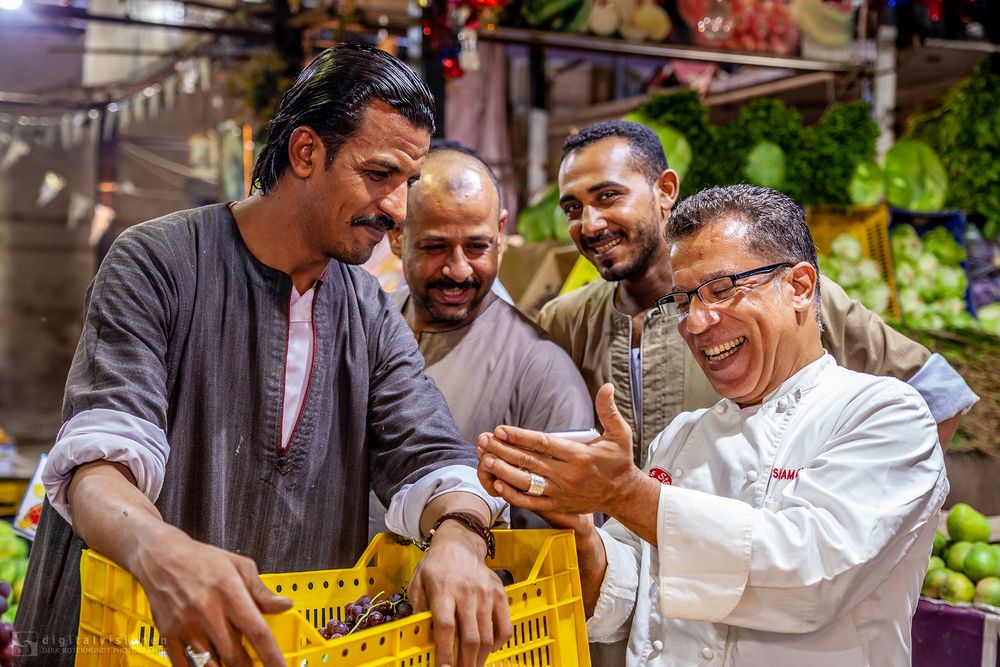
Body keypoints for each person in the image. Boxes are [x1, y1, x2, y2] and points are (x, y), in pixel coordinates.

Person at [16, 44, 511, 667]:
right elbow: (99, 460)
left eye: (406, 183)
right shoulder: (158, 262)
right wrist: (157, 548)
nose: (396, 209)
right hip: (120, 640)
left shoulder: (368, 308)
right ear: (306, 152)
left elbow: (431, 454)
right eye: (379, 174)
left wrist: (461, 538)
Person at [478, 184, 949, 666]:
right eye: (683, 301)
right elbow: (630, 596)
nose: (696, 323)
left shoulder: (886, 415)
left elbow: (813, 577)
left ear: (800, 287)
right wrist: (576, 524)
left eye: (722, 289)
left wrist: (623, 494)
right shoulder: (681, 438)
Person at [536, 120, 977, 467]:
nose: (589, 224)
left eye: (608, 196)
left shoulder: (777, 292)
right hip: (623, 572)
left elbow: (938, 394)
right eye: (572, 207)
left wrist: (870, 511)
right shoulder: (566, 321)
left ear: (665, 190)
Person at [366, 144, 593, 535]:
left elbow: (564, 548)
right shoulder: (369, 324)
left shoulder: (541, 371)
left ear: (500, 232)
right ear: (397, 236)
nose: (457, 269)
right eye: (435, 247)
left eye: (477, 246)